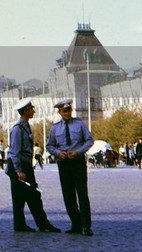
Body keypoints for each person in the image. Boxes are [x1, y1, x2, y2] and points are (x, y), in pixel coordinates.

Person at [5, 97, 61, 233]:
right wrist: (19, 171)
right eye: (31, 109)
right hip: (19, 167)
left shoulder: (25, 126)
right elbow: (14, 152)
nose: (34, 111)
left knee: (34, 196)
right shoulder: (18, 129)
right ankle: (20, 225)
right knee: (19, 199)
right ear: (25, 111)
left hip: (25, 166)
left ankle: (43, 223)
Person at [46, 98, 94, 236]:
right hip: (64, 163)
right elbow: (49, 145)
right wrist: (58, 153)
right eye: (64, 111)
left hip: (77, 162)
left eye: (69, 110)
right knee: (68, 196)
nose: (67, 113)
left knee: (82, 195)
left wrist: (78, 152)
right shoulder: (55, 128)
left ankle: (86, 226)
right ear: (59, 112)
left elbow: (89, 140)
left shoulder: (80, 124)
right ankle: (76, 224)